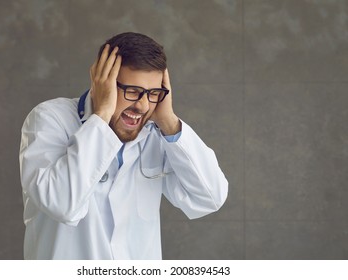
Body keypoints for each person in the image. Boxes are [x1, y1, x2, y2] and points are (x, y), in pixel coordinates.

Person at [19, 32, 228, 260]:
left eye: (153, 93)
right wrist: (101, 117)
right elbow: (62, 204)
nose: (142, 105)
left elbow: (210, 197)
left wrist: (168, 120)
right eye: (132, 91)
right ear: (102, 82)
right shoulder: (49, 119)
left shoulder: (155, 134)